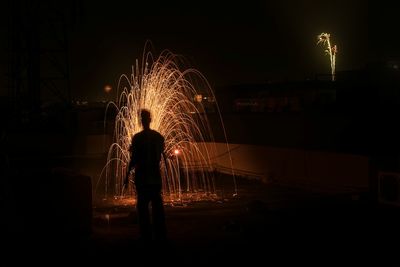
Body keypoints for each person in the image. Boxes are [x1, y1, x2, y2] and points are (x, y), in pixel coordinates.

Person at [124, 109, 167, 243]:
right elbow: (161, 155)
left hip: (142, 178)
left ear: (141, 120)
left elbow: (134, 158)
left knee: (142, 208)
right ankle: (160, 236)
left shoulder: (137, 138)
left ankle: (145, 236)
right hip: (155, 178)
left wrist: (126, 175)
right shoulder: (159, 137)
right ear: (151, 119)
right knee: (157, 208)